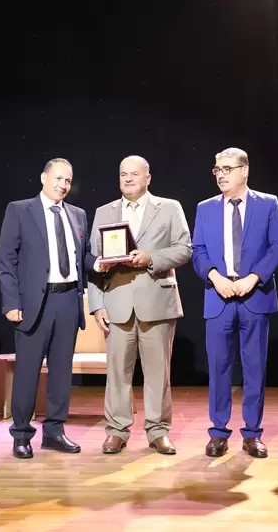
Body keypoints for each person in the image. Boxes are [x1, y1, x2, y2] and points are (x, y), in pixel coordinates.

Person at [87, 155, 192, 455]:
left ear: (148, 178)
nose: (128, 179)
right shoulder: (104, 212)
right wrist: (97, 304)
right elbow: (93, 262)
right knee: (117, 373)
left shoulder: (169, 208)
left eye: (134, 174)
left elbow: (185, 249)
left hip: (157, 301)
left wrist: (152, 258)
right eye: (123, 174)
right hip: (116, 303)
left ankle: (158, 431)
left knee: (158, 373)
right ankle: (116, 431)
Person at [191, 147, 278, 459]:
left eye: (227, 169)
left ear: (244, 171)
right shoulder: (205, 208)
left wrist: (254, 278)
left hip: (254, 296)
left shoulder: (268, 204)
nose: (220, 175)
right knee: (218, 367)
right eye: (217, 169)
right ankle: (218, 433)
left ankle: (252, 434)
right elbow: (198, 250)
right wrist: (215, 276)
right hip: (218, 295)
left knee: (254, 367)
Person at [0, 158, 89, 459]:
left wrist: (103, 262)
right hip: (35, 303)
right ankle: (21, 435)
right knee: (27, 371)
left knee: (61, 372)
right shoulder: (19, 210)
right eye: (58, 178)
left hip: (68, 300)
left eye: (68, 180)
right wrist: (11, 302)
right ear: (43, 178)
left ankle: (54, 432)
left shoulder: (78, 215)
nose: (63, 185)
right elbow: (6, 260)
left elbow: (84, 258)